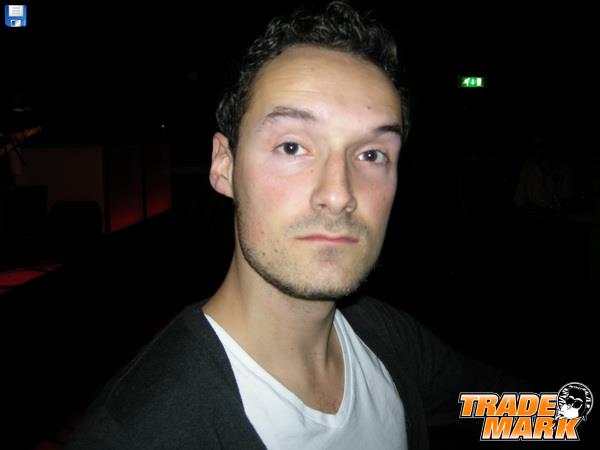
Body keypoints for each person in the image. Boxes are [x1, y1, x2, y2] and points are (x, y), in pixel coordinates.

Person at [65, 2, 517, 449]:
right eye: (292, 147)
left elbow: (522, 414)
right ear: (224, 166)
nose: (339, 194)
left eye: (371, 154)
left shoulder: (385, 339)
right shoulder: (140, 433)